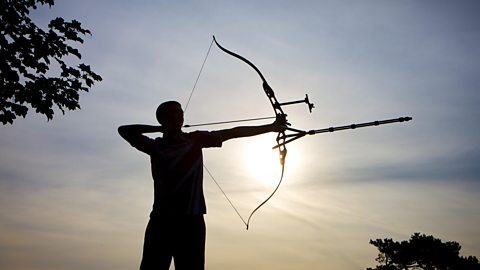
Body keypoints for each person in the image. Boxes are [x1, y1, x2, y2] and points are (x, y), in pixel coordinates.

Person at [118, 100, 286, 270]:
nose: (178, 117)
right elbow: (124, 130)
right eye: (172, 114)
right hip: (162, 221)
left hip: (191, 222)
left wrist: (271, 127)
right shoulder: (155, 146)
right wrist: (160, 129)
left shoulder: (195, 139)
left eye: (180, 114)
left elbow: (233, 133)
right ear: (162, 119)